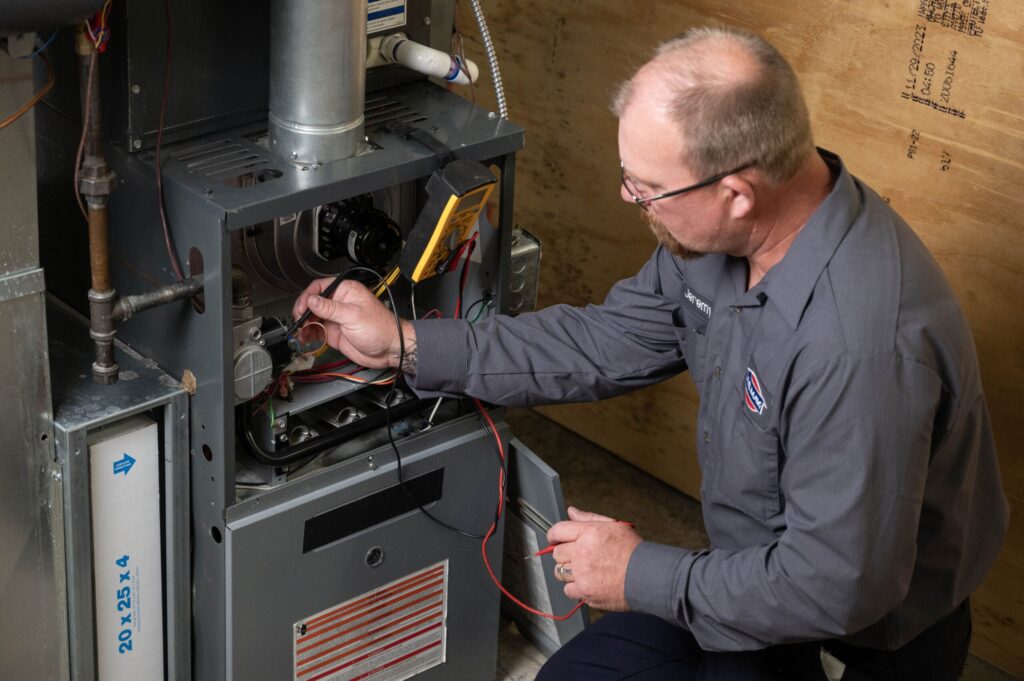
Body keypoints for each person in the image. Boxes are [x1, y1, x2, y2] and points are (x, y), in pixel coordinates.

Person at [292, 26, 1008, 681]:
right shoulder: (716, 242)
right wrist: (406, 342)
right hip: (747, 580)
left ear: (735, 192)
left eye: (647, 189)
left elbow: (835, 585)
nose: (628, 198)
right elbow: (605, 340)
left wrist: (638, 573)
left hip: (876, 625)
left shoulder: (861, 347)